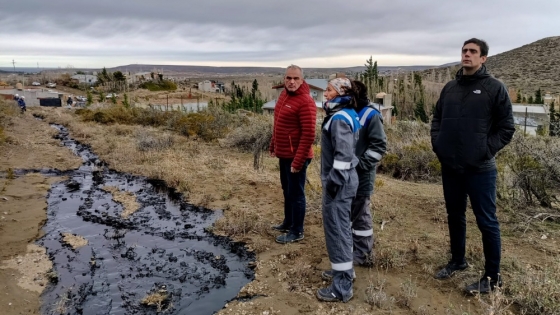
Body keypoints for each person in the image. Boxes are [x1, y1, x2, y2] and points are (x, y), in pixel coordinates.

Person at [430, 38, 515, 294]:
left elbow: (506, 127)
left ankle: (492, 277)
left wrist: (484, 151)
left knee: (487, 221)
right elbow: (437, 119)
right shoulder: (450, 88)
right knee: (454, 216)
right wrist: (439, 145)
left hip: (480, 169)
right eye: (464, 51)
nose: (466, 55)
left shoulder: (494, 88)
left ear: (483, 58)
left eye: (473, 52)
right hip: (451, 167)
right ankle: (458, 260)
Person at [316, 78, 361, 303]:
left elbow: (342, 157)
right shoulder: (346, 113)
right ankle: (344, 272)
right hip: (344, 181)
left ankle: (342, 287)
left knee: (337, 230)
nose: (325, 94)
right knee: (342, 228)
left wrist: (333, 183)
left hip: (340, 183)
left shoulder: (339, 118)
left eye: (329, 90)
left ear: (341, 92)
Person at [270, 65, 317, 244]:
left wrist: (298, 161)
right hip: (284, 153)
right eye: (288, 78)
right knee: (287, 190)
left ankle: (297, 231)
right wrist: (274, 143)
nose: (291, 82)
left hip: (297, 156)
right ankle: (288, 222)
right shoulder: (284, 95)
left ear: (302, 80)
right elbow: (279, 123)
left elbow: (309, 134)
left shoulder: (305, 101)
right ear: (284, 79)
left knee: (296, 194)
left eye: (295, 78)